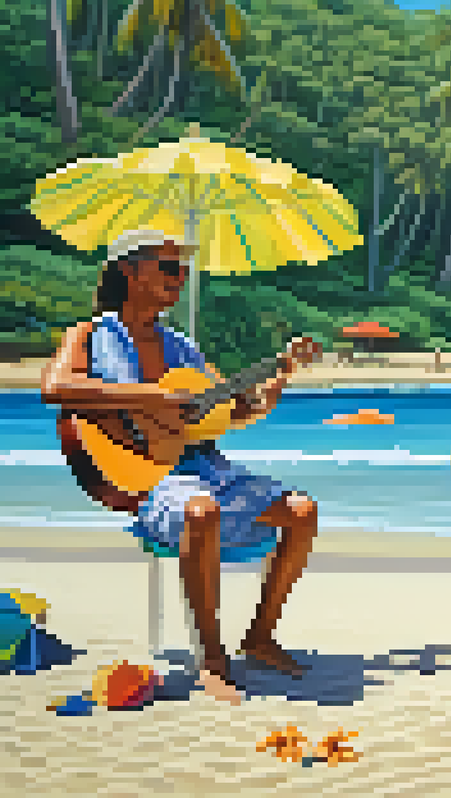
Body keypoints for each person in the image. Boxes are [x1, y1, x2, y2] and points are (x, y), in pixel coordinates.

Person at [40, 230, 320, 705]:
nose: (179, 278)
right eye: (168, 267)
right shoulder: (90, 335)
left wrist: (276, 381)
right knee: (200, 511)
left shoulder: (182, 347)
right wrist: (150, 396)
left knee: (302, 511)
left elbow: (228, 412)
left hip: (204, 466)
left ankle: (259, 637)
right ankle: (212, 660)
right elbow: (55, 387)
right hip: (143, 475)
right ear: (129, 270)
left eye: (183, 270)